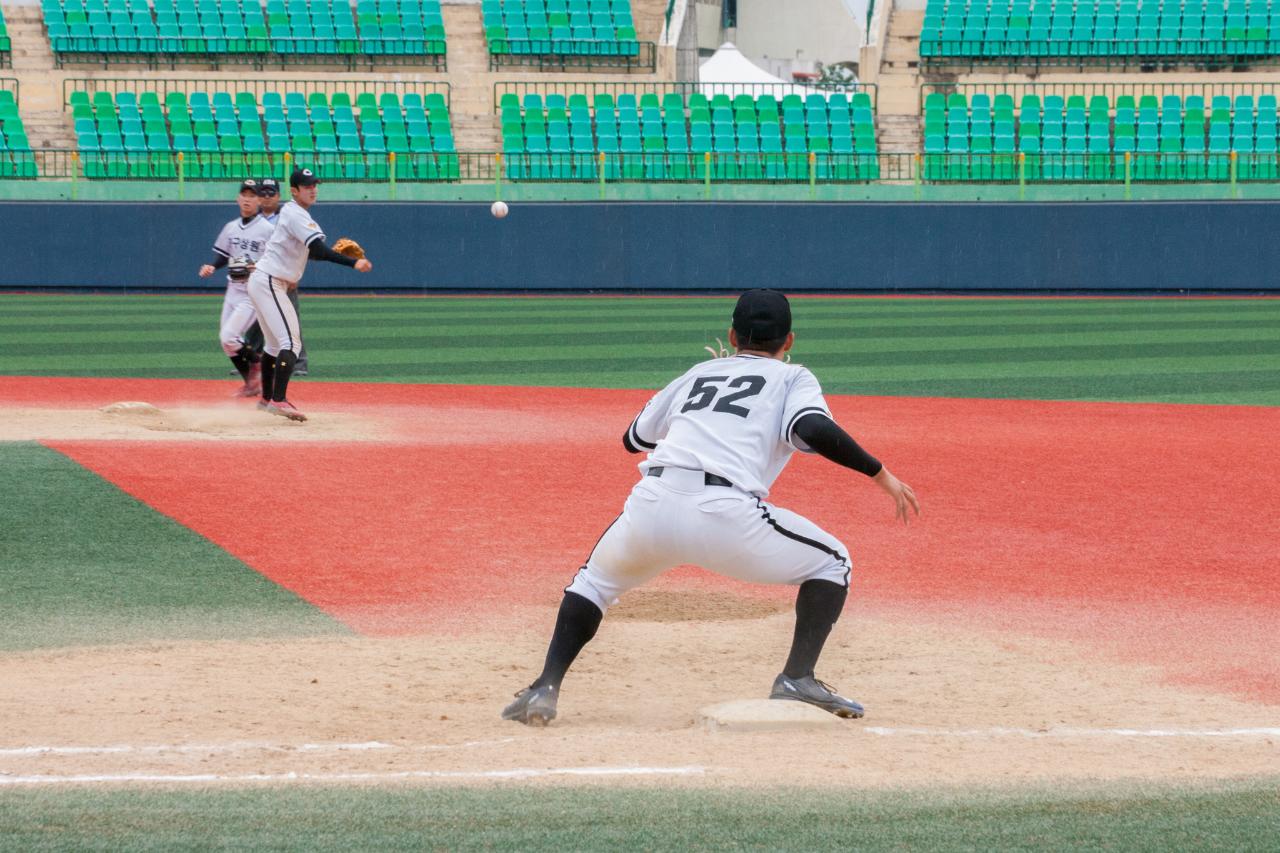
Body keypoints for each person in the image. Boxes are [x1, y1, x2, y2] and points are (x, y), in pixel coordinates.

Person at [501, 289, 920, 726]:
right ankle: (797, 677)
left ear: (731, 334)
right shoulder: (792, 378)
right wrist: (879, 474)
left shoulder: (699, 371)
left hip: (651, 507)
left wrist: (714, 376)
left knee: (593, 584)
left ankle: (544, 686)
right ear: (789, 341)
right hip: (724, 515)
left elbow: (634, 439)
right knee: (833, 562)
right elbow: (811, 427)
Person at [246, 167, 371, 421]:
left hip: (265, 281)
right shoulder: (296, 214)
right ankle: (278, 401)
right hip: (269, 281)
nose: (313, 189)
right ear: (294, 191)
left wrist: (330, 254)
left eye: (315, 185)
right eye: (307, 186)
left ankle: (267, 400)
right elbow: (319, 249)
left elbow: (312, 252)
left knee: (273, 346)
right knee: (291, 344)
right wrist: (352, 263)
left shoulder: (294, 214)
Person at [198, 179, 275, 397]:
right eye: (245, 195)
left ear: (259, 200)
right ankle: (251, 384)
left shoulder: (267, 229)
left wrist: (256, 266)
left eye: (253, 195)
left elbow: (275, 258)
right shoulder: (230, 227)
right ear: (238, 199)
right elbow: (223, 254)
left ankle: (259, 361)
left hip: (253, 291)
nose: (248, 199)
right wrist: (212, 266)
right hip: (232, 289)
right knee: (227, 343)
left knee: (229, 337)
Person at [249, 178, 309, 376]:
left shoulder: (287, 217)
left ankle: (299, 363)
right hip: (260, 277)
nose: (267, 197)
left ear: (278, 195)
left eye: (271, 193)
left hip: (283, 277)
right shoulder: (250, 221)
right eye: (263, 193)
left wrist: (294, 275)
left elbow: (299, 247)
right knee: (256, 324)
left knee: (291, 322)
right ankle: (253, 362)